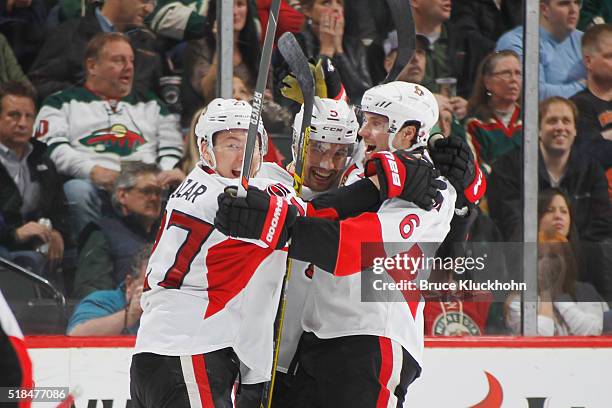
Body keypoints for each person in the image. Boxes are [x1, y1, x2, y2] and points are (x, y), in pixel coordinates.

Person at [131, 97, 445, 407]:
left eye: (251, 145)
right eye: (231, 144)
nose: (243, 157)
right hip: (189, 351)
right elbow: (313, 215)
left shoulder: (194, 184)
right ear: (204, 149)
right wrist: (383, 183)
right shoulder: (243, 194)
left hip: (157, 350)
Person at [216, 82, 486, 407]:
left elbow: (352, 248)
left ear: (409, 133)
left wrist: (274, 227)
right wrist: (329, 85)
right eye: (364, 120)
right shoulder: (368, 170)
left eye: (376, 123)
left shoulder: (431, 188)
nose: (363, 131)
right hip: (319, 341)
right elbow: (332, 180)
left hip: (374, 339)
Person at [34, 32, 184, 240]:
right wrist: (93, 171)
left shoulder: (154, 105)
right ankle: (90, 254)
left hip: (147, 183)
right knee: (77, 191)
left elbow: (172, 149)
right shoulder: (60, 103)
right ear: (92, 66)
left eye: (131, 60)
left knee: (176, 191)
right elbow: (51, 147)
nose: (129, 67)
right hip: (91, 183)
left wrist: (160, 175)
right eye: (118, 60)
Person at [0, 81, 71, 280]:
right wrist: (14, 234)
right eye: (14, 115)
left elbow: (59, 209)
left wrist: (57, 233)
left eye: (28, 116)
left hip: (33, 246)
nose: (22, 123)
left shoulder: (43, 161)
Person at [28, 0, 161, 101]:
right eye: (144, 0)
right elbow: (38, 83)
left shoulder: (149, 45)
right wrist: (85, 95)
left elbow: (161, 98)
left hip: (135, 132)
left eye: (153, 2)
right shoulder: (70, 33)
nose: (149, 9)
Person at [73, 162, 162, 299]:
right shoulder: (102, 234)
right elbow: (92, 293)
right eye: (146, 191)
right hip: (123, 314)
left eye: (158, 192)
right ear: (122, 195)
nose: (155, 198)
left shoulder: (168, 232)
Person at [505, 232, 609, 336]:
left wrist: (559, 296)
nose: (545, 263)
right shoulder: (518, 301)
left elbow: (593, 331)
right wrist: (545, 293)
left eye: (553, 256)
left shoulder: (585, 291)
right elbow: (541, 336)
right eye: (539, 257)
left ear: (567, 263)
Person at [274, 0, 372, 103]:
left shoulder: (355, 45)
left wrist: (339, 51)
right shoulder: (291, 45)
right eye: (326, 3)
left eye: (339, 3)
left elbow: (363, 96)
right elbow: (310, 95)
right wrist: (326, 51)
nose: (335, 8)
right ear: (308, 11)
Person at [495, 0, 586, 100]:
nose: (574, 10)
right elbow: (533, 93)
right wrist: (583, 86)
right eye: (564, 3)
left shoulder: (584, 40)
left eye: (577, 3)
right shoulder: (517, 41)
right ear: (544, 9)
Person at [67, 244, 150, 336]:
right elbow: (76, 334)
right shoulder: (103, 301)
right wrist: (130, 315)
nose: (157, 291)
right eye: (150, 284)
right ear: (129, 283)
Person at [571, 23, 612, 200]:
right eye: (610, 56)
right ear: (588, 61)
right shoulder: (577, 105)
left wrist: (605, 136)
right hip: (598, 200)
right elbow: (590, 156)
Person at [465, 50, 523, 175]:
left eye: (518, 73)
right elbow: (477, 170)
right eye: (506, 73)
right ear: (487, 82)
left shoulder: (531, 120)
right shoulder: (474, 124)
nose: (514, 79)